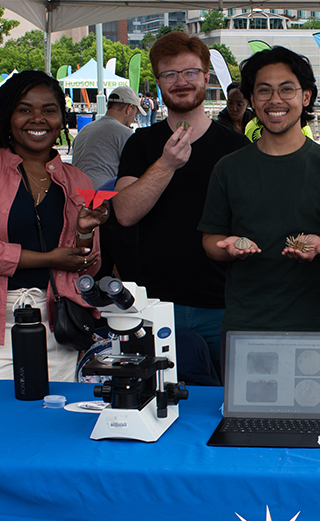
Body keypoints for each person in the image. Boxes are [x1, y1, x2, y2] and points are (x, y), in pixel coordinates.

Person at [0, 70, 110, 391]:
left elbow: (88, 266)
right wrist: (46, 258)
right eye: (24, 109)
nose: (37, 119)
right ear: (7, 116)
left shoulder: (77, 181)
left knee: (50, 426)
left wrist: (85, 233)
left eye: (48, 110)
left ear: (61, 118)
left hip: (54, 322)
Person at [199, 46, 320, 339]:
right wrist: (229, 247)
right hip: (244, 325)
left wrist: (319, 244)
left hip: (313, 325)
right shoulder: (229, 168)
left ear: (306, 96)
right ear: (251, 100)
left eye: (287, 89)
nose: (275, 100)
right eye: (264, 91)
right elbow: (210, 240)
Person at [114, 32, 248, 367]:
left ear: (206, 77)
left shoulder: (237, 151)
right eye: (169, 74)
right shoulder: (141, 144)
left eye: (190, 72)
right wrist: (167, 164)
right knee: (152, 404)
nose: (181, 82)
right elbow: (125, 212)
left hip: (223, 306)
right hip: (152, 306)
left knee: (227, 409)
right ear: (158, 81)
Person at [71, 86, 137, 187]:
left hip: (75, 194)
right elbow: (132, 174)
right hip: (102, 197)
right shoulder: (125, 133)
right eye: (135, 113)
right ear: (129, 108)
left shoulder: (85, 130)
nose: (134, 119)